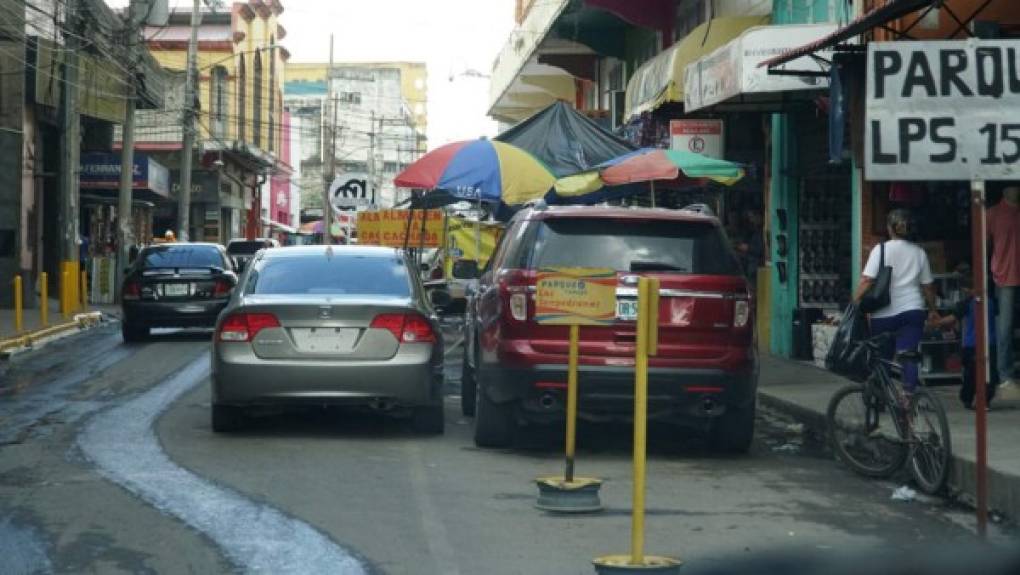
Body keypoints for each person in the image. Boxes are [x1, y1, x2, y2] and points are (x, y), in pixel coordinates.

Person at [853, 209, 939, 394]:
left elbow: (867, 280)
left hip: (883, 314)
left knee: (882, 358)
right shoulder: (919, 252)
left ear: (889, 229)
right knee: (909, 355)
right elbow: (928, 286)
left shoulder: (880, 250)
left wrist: (854, 301)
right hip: (912, 311)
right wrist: (933, 309)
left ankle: (881, 397)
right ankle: (908, 398)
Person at [939, 264, 999, 409]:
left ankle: (968, 398)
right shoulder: (992, 302)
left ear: (967, 289)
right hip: (990, 343)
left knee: (971, 375)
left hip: (971, 345)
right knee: (989, 374)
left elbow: (952, 319)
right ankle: (985, 400)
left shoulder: (967, 303)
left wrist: (935, 323)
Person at [987, 185, 1020, 401]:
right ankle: (1005, 374)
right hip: (1005, 275)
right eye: (1012, 185)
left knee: (1006, 327)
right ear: (1004, 189)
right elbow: (985, 244)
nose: (1016, 189)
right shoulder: (992, 213)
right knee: (1005, 328)